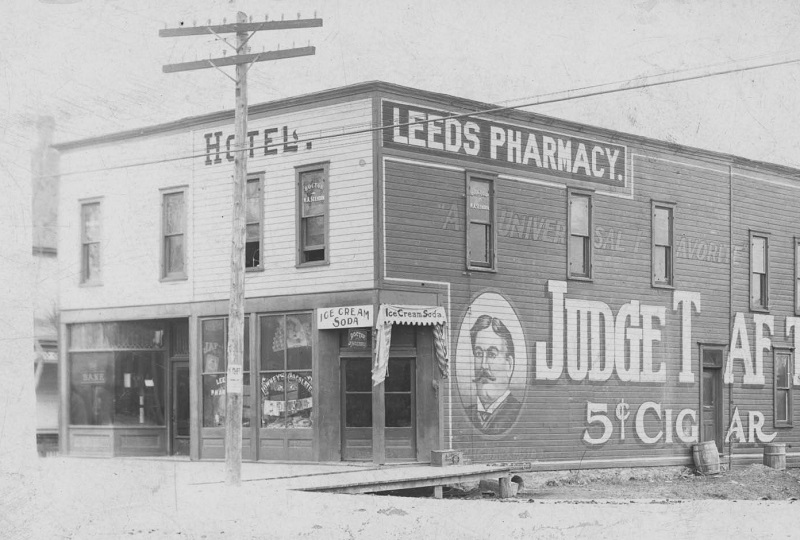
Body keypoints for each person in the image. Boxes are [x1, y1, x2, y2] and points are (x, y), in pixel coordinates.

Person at [467, 314, 522, 435]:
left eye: (491, 354)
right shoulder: (467, 415)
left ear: (509, 365)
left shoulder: (518, 412)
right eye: (478, 354)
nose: (484, 365)